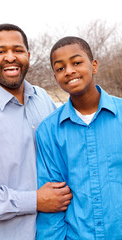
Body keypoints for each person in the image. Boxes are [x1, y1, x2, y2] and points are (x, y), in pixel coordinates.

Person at [0, 24, 73, 240]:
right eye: (0, 51)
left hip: (50, 233)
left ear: (28, 56)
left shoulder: (42, 99)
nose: (10, 57)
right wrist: (35, 201)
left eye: (18, 50)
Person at [36, 36, 122, 239]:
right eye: (60, 68)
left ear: (93, 66)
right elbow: (52, 204)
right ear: (56, 76)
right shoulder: (49, 131)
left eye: (76, 63)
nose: (69, 71)